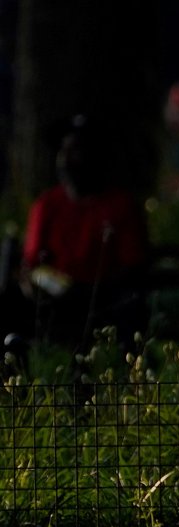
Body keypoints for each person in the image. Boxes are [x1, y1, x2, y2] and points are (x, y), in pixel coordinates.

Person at [18, 114, 150, 353]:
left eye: (79, 151)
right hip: (54, 302)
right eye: (65, 151)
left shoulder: (119, 206)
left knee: (131, 308)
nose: (69, 160)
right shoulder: (47, 205)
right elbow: (32, 263)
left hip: (103, 301)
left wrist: (91, 290)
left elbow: (133, 266)